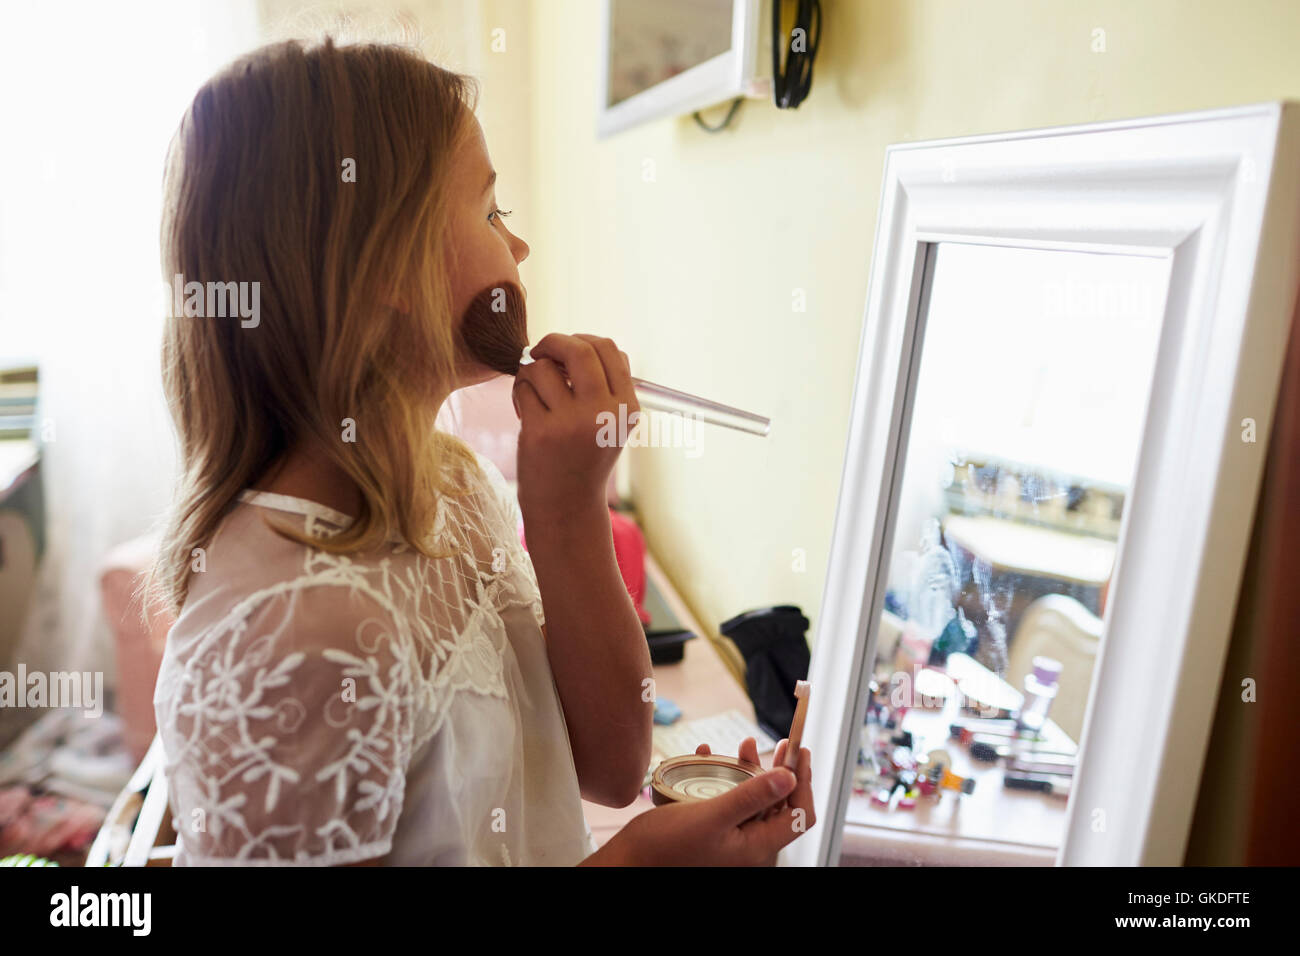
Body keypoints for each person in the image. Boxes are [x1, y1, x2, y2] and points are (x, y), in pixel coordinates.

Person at [146, 34, 814, 866]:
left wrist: (569, 506)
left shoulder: (452, 485)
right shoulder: (289, 635)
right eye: (493, 213)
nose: (518, 247)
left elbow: (610, 768)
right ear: (384, 261)